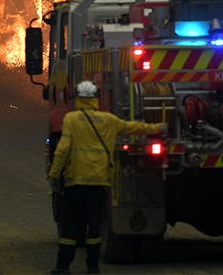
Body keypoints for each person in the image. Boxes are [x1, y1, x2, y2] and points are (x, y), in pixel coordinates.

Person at [47, 81, 167, 275]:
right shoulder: (109, 120)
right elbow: (133, 127)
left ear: (77, 97)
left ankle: (63, 266)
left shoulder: (71, 119)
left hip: (75, 181)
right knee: (94, 227)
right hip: (99, 181)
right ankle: (93, 268)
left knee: (70, 227)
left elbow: (62, 150)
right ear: (96, 97)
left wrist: (54, 174)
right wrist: (157, 127)